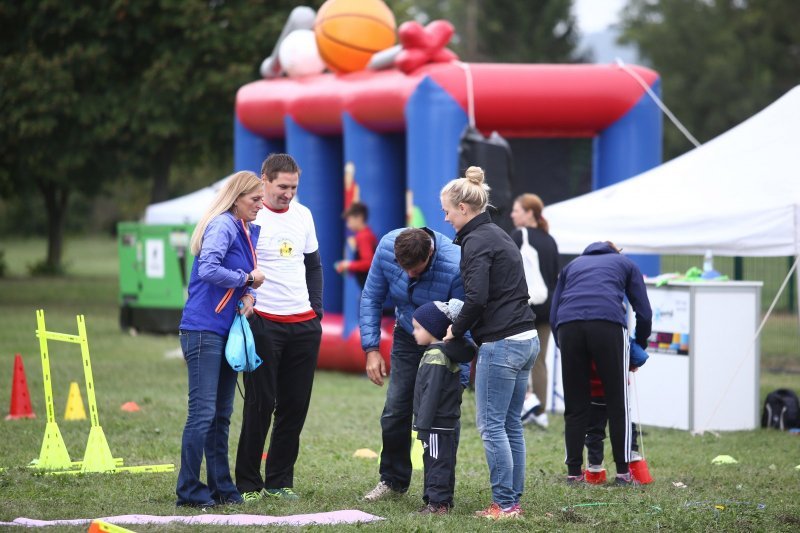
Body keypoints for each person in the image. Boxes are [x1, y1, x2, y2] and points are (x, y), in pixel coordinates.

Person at [441, 166, 538, 520]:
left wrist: (456, 328)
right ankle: (513, 501)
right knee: (511, 424)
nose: (446, 217)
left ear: (464, 209)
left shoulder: (476, 241)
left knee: (492, 425)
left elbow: (477, 297)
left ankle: (505, 504)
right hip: (527, 337)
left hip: (504, 343)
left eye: (448, 210)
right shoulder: (498, 234)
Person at [234, 153, 323, 502]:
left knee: (294, 405)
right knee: (260, 403)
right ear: (265, 180)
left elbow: (314, 265)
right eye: (282, 187)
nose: (288, 193)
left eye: (294, 187)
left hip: (303, 324)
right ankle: (247, 483)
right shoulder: (251, 216)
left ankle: (279, 481)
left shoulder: (304, 215)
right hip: (264, 322)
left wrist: (316, 310)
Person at [176, 170, 266, 508]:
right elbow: (208, 270)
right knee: (202, 414)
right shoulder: (223, 225)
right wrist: (247, 277)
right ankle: (188, 490)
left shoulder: (243, 229)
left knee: (221, 415)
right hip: (203, 330)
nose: (261, 205)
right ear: (236, 198)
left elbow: (231, 280)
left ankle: (221, 488)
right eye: (254, 199)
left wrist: (248, 294)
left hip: (225, 330)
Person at [360, 227, 469, 502]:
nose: (409, 275)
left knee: (442, 418)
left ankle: (439, 491)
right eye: (404, 268)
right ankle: (393, 480)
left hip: (445, 341)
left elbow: (465, 322)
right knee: (395, 410)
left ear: (430, 253)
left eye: (416, 270)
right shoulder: (387, 246)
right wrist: (371, 348)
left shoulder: (456, 264)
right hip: (407, 335)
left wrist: (460, 380)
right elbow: (371, 296)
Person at [550, 241, 652, 485]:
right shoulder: (626, 264)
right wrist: (639, 346)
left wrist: (563, 343)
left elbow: (554, 313)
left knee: (575, 405)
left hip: (568, 327)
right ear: (615, 252)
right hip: (607, 324)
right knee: (617, 402)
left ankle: (574, 473)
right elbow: (644, 311)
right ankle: (623, 474)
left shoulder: (572, 266)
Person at [410, 299, 477, 515]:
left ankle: (437, 504)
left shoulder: (435, 356)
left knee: (436, 462)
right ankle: (441, 501)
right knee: (443, 461)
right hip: (446, 421)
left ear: (433, 329)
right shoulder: (445, 353)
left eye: (418, 328)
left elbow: (430, 394)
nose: (414, 333)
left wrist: (422, 425)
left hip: (436, 423)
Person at [510, 193, 560, 429]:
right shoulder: (550, 240)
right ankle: (539, 410)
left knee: (516, 359)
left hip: (523, 308)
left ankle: (519, 407)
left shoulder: (519, 236)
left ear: (529, 213)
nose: (512, 214)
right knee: (539, 362)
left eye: (517, 210)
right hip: (547, 310)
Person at [334, 201, 378, 288]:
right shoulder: (366, 234)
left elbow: (369, 263)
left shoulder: (363, 236)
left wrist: (348, 265)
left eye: (349, 220)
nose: (347, 225)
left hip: (369, 288)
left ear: (359, 218)